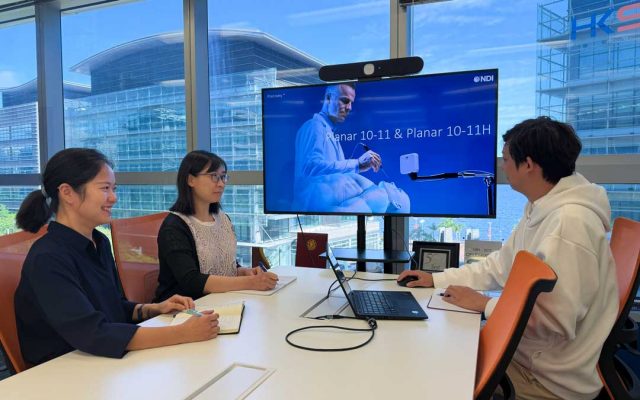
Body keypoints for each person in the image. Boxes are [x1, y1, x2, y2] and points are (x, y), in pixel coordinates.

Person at [398, 116, 618, 400]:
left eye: (505, 159)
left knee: (429, 377)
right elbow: (501, 265)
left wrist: (485, 305)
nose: (501, 166)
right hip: (525, 355)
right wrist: (436, 279)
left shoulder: (569, 224)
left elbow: (555, 322)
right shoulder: (541, 206)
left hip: (545, 380)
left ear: (528, 164)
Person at [14, 148, 219, 366]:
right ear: (67, 193)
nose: (113, 197)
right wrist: (181, 333)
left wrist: (154, 308)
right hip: (63, 372)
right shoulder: (47, 259)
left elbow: (112, 306)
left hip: (101, 362)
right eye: (104, 188)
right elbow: (93, 333)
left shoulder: (99, 243)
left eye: (114, 188)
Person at [154, 150, 279, 302]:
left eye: (223, 176)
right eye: (214, 176)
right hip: (184, 310)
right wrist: (250, 283)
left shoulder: (222, 219)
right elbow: (191, 281)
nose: (221, 183)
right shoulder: (174, 228)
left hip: (220, 301)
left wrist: (243, 272)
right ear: (190, 180)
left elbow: (223, 264)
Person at [293, 83, 395, 212]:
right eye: (345, 101)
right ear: (329, 98)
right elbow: (311, 167)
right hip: (312, 210)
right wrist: (357, 164)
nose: (349, 108)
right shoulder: (315, 127)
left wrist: (360, 166)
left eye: (351, 103)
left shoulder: (330, 134)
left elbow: (336, 177)